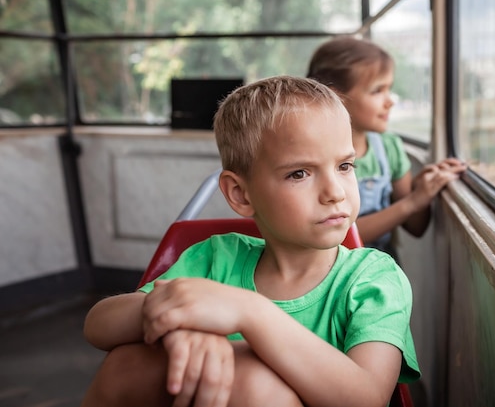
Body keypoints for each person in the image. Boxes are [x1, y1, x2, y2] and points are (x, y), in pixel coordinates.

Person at [80, 76, 420, 407]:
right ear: (241, 195)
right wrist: (181, 325)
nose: (335, 192)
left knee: (256, 385)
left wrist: (249, 313)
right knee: (122, 364)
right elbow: (99, 325)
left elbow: (367, 398)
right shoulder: (217, 258)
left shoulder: (374, 278)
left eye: (345, 166)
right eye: (299, 173)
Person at [307, 36, 466, 258]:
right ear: (337, 97)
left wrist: (421, 192)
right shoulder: (309, 152)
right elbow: (336, 237)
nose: (390, 101)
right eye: (377, 91)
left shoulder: (389, 148)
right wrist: (410, 203)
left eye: (389, 89)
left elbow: (416, 228)